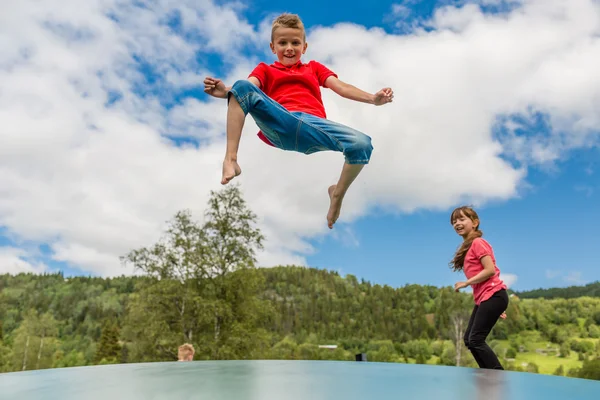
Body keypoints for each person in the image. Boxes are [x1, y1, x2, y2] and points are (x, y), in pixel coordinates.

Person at [203, 13, 393, 229]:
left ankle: (337, 194)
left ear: (305, 46)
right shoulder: (265, 69)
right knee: (241, 86)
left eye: (295, 42)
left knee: (362, 144)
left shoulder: (314, 68)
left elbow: (341, 87)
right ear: (273, 47)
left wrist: (373, 99)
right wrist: (227, 91)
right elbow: (248, 87)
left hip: (313, 128)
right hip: (280, 123)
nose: (289, 48)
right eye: (282, 43)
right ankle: (231, 159)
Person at [449, 206, 508, 370]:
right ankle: (488, 374)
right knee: (469, 340)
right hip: (488, 298)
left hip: (494, 295)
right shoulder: (468, 247)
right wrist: (495, 308)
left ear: (474, 223)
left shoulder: (478, 243)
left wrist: (466, 283)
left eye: (462, 219)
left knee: (476, 339)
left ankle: (497, 375)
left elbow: (490, 271)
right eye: (454, 221)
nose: (457, 223)